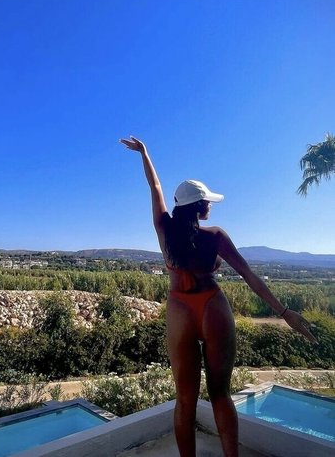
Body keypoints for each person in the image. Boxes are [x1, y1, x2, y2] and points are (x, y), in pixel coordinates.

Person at [120, 136, 316, 457]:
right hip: (212, 305)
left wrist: (144, 153)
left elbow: (155, 187)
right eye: (208, 201)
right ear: (198, 206)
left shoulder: (164, 228)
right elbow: (248, 275)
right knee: (220, 394)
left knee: (185, 400)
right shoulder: (215, 236)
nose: (211, 205)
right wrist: (284, 312)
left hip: (179, 310)